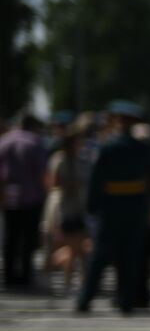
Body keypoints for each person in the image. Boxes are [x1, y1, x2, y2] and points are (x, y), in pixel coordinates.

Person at [77, 101, 150, 313]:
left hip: (111, 206)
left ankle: (85, 299)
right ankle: (126, 300)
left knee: (100, 256)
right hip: (135, 206)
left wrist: (92, 206)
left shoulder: (107, 147)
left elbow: (96, 179)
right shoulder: (143, 149)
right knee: (129, 256)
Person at [0, 113, 48, 289]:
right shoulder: (35, 142)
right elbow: (42, 172)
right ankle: (25, 274)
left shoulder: (3, 141)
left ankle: (8, 276)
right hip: (31, 197)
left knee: (10, 237)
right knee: (28, 238)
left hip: (8, 196)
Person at [42, 127, 89, 296]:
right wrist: (71, 184)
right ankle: (65, 279)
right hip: (64, 208)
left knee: (80, 248)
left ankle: (76, 280)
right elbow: (53, 182)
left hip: (79, 208)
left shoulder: (81, 159)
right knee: (71, 247)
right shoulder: (60, 160)